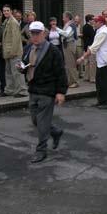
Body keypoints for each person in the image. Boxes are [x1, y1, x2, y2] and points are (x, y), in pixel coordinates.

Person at [19, 21, 67, 163]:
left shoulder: (53, 51)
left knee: (42, 122)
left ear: (44, 34)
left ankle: (41, 150)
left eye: (37, 33)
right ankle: (56, 132)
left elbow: (60, 72)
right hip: (33, 89)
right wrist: (21, 67)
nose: (34, 36)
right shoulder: (29, 48)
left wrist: (60, 92)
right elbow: (25, 64)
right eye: (32, 33)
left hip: (47, 91)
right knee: (36, 120)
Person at [77, 15, 107, 109]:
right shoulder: (100, 30)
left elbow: (93, 47)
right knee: (99, 83)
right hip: (101, 61)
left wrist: (82, 58)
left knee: (106, 84)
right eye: (94, 21)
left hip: (105, 61)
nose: (94, 23)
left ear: (101, 23)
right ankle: (101, 101)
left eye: (96, 21)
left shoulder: (103, 32)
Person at [2, 5, 27, 97]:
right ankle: (10, 90)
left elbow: (16, 39)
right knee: (8, 72)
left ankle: (22, 91)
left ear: (11, 11)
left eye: (7, 11)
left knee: (17, 72)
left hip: (14, 52)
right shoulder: (6, 21)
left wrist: (12, 52)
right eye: (4, 11)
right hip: (8, 52)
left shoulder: (13, 22)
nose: (5, 12)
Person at [57, 11, 80, 88]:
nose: (62, 19)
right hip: (67, 45)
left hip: (70, 45)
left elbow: (67, 34)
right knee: (68, 64)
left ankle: (75, 82)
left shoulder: (71, 24)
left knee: (71, 64)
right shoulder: (68, 24)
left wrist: (57, 29)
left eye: (63, 17)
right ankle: (70, 81)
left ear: (67, 17)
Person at [82, 14, 96, 83]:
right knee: (92, 63)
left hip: (86, 46)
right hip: (90, 46)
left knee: (87, 62)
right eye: (93, 19)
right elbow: (93, 37)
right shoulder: (90, 27)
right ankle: (92, 78)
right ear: (89, 20)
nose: (94, 21)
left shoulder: (84, 27)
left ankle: (86, 77)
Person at [74, 14, 84, 79]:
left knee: (80, 60)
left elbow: (84, 34)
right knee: (73, 60)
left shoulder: (82, 27)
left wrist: (80, 35)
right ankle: (75, 74)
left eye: (77, 20)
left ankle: (81, 73)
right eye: (75, 20)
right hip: (73, 45)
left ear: (80, 21)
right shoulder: (72, 27)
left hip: (79, 45)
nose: (76, 21)